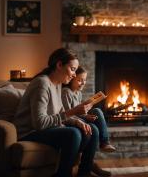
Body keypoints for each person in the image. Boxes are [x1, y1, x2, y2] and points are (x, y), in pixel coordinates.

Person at [13, 48, 109, 177]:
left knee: (92, 129)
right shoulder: (42, 84)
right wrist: (73, 112)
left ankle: (84, 173)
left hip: (46, 128)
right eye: (73, 69)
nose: (75, 75)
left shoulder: (57, 84)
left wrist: (78, 122)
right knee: (73, 133)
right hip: (29, 131)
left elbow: (60, 114)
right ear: (59, 65)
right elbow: (39, 123)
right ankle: (63, 174)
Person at [61, 66, 116, 176]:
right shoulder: (66, 92)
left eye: (84, 80)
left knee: (97, 112)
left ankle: (104, 143)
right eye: (80, 80)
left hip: (78, 118)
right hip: (70, 121)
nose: (83, 83)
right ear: (72, 79)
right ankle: (103, 143)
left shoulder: (78, 93)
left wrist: (86, 116)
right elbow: (67, 115)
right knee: (96, 113)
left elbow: (79, 113)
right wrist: (84, 117)